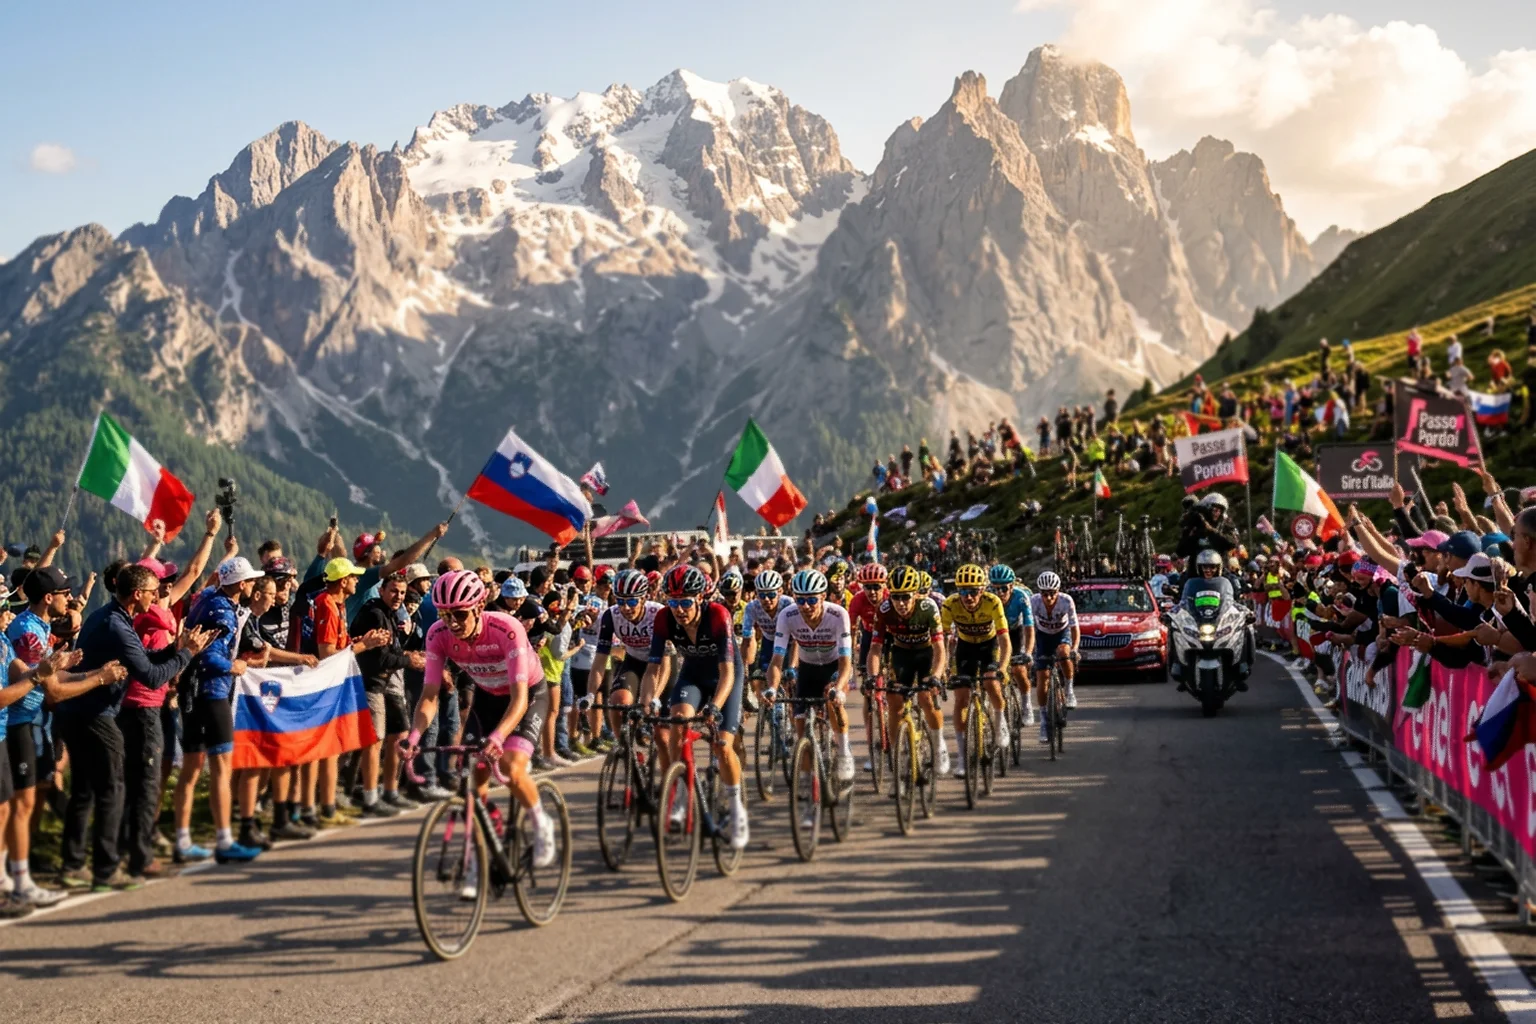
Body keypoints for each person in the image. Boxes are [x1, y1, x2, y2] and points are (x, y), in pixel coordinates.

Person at [55, 564, 211, 891]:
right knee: (114, 790)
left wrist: (175, 649)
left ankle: (71, 865)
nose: (157, 598)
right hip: (96, 714)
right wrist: (186, 654)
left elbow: (143, 658)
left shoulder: (107, 616)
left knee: (84, 790)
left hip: (75, 712)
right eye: (153, 592)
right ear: (137, 594)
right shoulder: (118, 625)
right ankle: (106, 870)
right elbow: (152, 677)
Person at [401, 570, 557, 874]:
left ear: (478, 606)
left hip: (525, 697)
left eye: (459, 613)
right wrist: (414, 737)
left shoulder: (506, 629)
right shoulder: (437, 634)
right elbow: (430, 694)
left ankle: (541, 823)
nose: (452, 623)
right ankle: (490, 833)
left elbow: (519, 698)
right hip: (487, 698)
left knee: (511, 767)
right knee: (474, 780)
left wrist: (498, 738)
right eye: (445, 615)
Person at [640, 565, 748, 849]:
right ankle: (680, 796)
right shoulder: (664, 619)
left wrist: (714, 707)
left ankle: (737, 810)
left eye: (685, 601)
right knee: (678, 721)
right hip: (693, 676)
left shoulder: (718, 616)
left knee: (723, 745)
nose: (679, 608)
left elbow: (728, 674)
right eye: (673, 602)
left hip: (725, 678)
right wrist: (648, 702)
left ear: (700, 598)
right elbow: (652, 669)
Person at [766, 569, 854, 833]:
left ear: (823, 597)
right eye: (800, 599)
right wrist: (772, 688)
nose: (805, 606)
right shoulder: (787, 615)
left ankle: (844, 749)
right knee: (802, 732)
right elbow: (777, 660)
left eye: (812, 600)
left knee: (833, 701)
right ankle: (809, 792)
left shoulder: (838, 614)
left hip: (833, 668)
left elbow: (846, 662)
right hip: (806, 669)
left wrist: (839, 687)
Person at [351, 572, 425, 817]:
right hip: (370, 682)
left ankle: (390, 791)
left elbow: (392, 651)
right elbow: (380, 658)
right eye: (394, 591)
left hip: (389, 681)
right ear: (382, 590)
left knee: (400, 735)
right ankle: (370, 798)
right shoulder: (374, 613)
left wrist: (409, 657)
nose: (398, 596)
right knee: (375, 740)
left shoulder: (391, 613)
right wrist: (409, 660)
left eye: (402, 593)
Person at [866, 566, 949, 774]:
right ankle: (896, 754)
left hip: (925, 653)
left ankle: (939, 746)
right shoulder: (884, 610)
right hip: (901, 654)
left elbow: (940, 648)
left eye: (906, 597)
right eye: (896, 597)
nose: (901, 603)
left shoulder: (928, 607)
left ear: (915, 594)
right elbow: (875, 647)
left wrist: (937, 675)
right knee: (894, 702)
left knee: (925, 698)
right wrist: (872, 677)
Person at [940, 564, 1012, 777]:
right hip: (965, 648)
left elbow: (1005, 640)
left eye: (973, 591)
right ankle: (962, 758)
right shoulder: (950, 604)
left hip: (989, 647)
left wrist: (1002, 668)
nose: (968, 597)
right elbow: (942, 640)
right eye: (963, 591)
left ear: (982, 590)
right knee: (961, 697)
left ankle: (1000, 723)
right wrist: (944, 668)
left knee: (991, 681)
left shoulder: (993, 602)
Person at [1029, 571, 1080, 742]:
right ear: (1040, 593)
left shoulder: (1066, 601)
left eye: (1052, 593)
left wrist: (1075, 648)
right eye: (1045, 593)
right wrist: (1027, 650)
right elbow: (1027, 627)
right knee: (1042, 677)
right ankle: (1044, 721)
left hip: (1062, 633)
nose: (1049, 597)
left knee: (1064, 653)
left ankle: (1069, 689)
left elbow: (1074, 628)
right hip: (1043, 636)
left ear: (1058, 591)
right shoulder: (1034, 602)